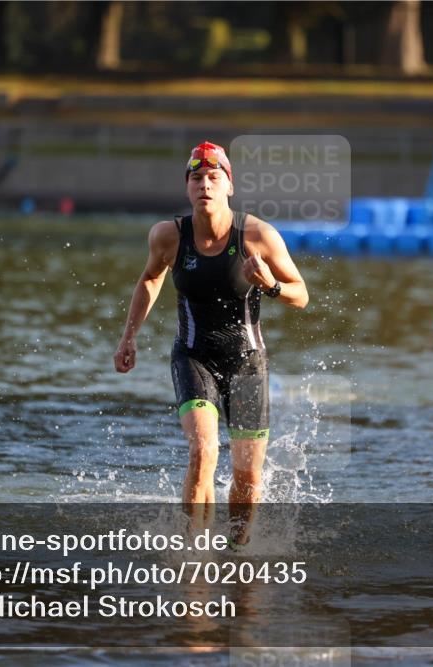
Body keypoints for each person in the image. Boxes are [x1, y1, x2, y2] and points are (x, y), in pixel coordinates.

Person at [114, 141, 308, 545]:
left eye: (214, 177)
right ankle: (194, 552)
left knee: (247, 474)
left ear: (229, 187)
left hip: (247, 362)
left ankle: (237, 551)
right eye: (197, 178)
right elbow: (150, 278)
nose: (205, 184)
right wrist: (128, 336)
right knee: (203, 451)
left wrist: (269, 285)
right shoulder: (168, 236)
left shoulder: (257, 235)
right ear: (187, 187)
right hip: (193, 356)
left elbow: (301, 294)